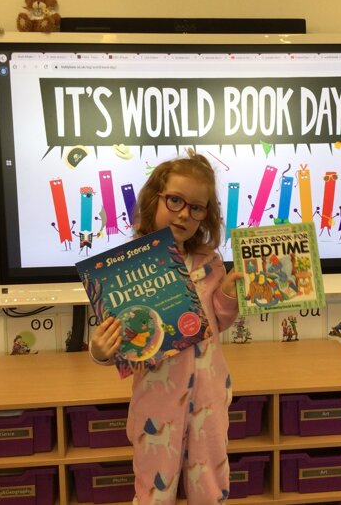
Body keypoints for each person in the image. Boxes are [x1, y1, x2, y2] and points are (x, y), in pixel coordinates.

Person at [88, 149, 243, 504]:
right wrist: (100, 352)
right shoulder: (127, 269)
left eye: (196, 207)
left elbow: (216, 321)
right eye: (175, 200)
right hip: (156, 400)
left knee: (210, 483)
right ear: (153, 200)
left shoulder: (210, 263)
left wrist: (228, 295)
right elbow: (123, 340)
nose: (184, 213)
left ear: (205, 215)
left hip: (209, 397)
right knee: (154, 488)